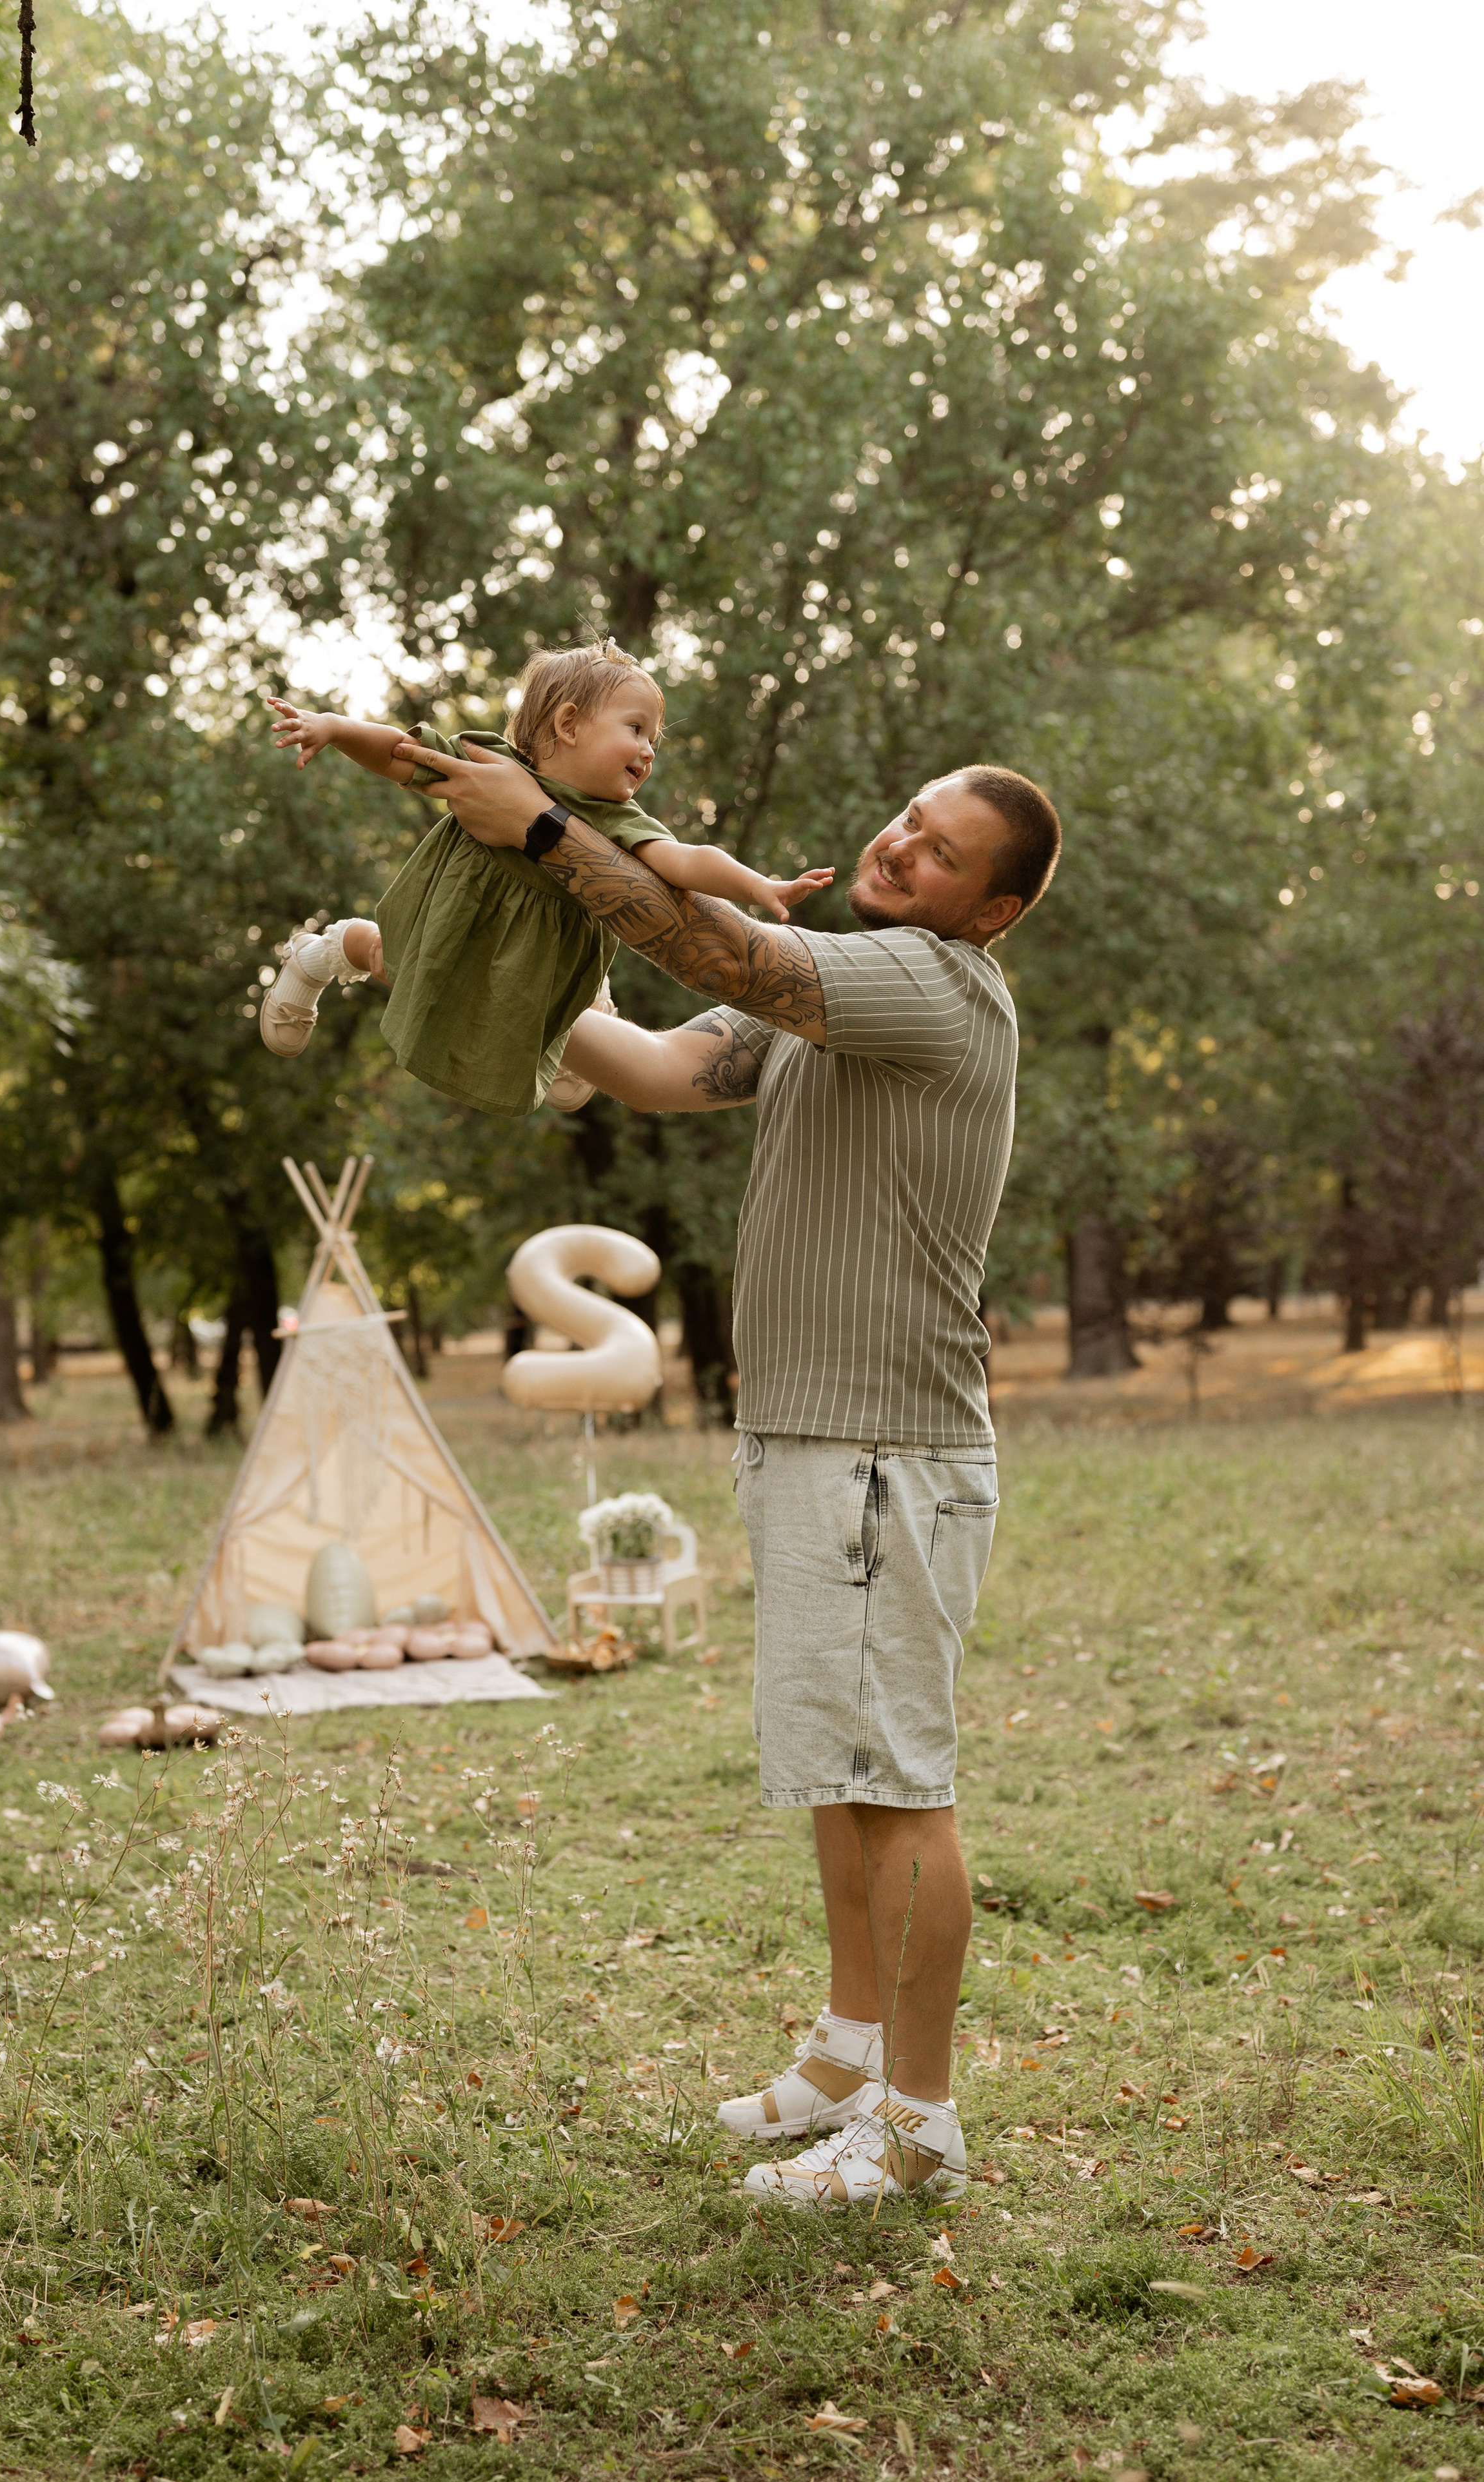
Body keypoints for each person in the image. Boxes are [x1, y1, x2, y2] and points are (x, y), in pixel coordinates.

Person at [390, 730, 1060, 2211]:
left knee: (895, 1779)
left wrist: (545, 832)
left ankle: (916, 2119)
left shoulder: (927, 984)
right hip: (820, 1436)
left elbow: (718, 946)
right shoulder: (835, 994)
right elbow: (647, 1056)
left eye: (942, 851)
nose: (900, 846)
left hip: (885, 1446)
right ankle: (844, 2050)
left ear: (989, 910)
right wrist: (437, 949)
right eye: (905, 815)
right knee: (841, 1765)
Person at [256, 641, 831, 1116]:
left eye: (654, 739)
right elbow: (402, 752)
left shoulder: (614, 819)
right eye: (637, 729)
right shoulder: (488, 768)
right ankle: (322, 953)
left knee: (549, 1001)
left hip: (557, 952)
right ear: (569, 723)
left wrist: (757, 885)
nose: (649, 750)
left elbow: (686, 861)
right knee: (391, 960)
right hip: (456, 921)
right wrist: (333, 726)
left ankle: (570, 1028)